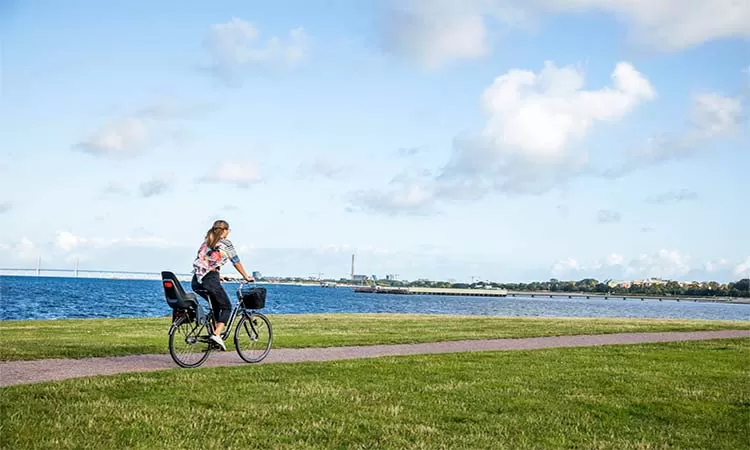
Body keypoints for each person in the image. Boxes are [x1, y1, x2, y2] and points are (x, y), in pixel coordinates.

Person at [191, 219, 253, 350]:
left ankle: (214, 341)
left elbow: (205, 263)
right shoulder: (226, 243)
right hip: (210, 280)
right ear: (224, 231)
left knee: (216, 307)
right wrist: (246, 276)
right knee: (226, 307)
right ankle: (216, 334)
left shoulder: (206, 242)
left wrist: (219, 276)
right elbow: (236, 261)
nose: (228, 233)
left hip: (197, 281)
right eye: (228, 230)